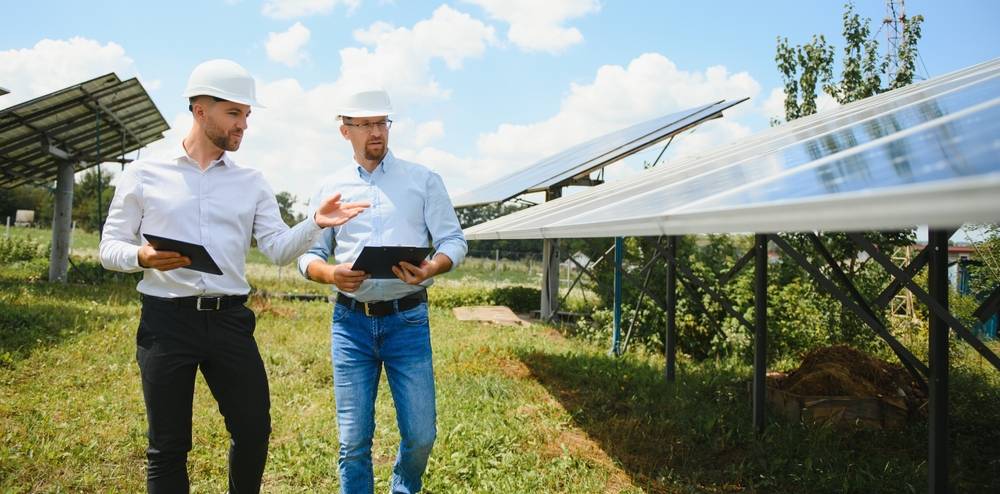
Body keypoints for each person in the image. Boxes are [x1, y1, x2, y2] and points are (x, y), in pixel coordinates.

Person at [99, 59, 368, 493]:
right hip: (166, 322)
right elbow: (109, 248)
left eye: (246, 114)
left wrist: (316, 223)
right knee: (167, 446)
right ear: (199, 110)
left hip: (229, 322)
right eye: (233, 113)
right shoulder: (144, 173)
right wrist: (142, 256)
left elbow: (277, 248)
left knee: (253, 429)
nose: (243, 124)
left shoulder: (252, 182)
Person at [297, 89, 467, 494]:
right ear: (345, 131)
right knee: (353, 441)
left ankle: (403, 485)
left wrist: (432, 266)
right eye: (366, 124)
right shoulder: (331, 187)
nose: (376, 132)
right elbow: (308, 256)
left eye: (381, 123)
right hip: (350, 324)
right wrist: (331, 274)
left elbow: (454, 241)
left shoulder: (423, 180)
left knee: (421, 435)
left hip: (407, 320)